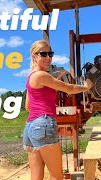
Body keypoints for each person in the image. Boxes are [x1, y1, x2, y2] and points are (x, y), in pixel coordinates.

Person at [23, 40, 93, 180]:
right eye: (43, 54)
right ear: (34, 56)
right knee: (56, 176)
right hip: (43, 124)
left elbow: (28, 107)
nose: (48, 57)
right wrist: (86, 86)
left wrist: (46, 102)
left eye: (50, 54)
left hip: (30, 127)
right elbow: (69, 88)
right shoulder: (42, 75)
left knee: (35, 176)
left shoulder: (31, 77)